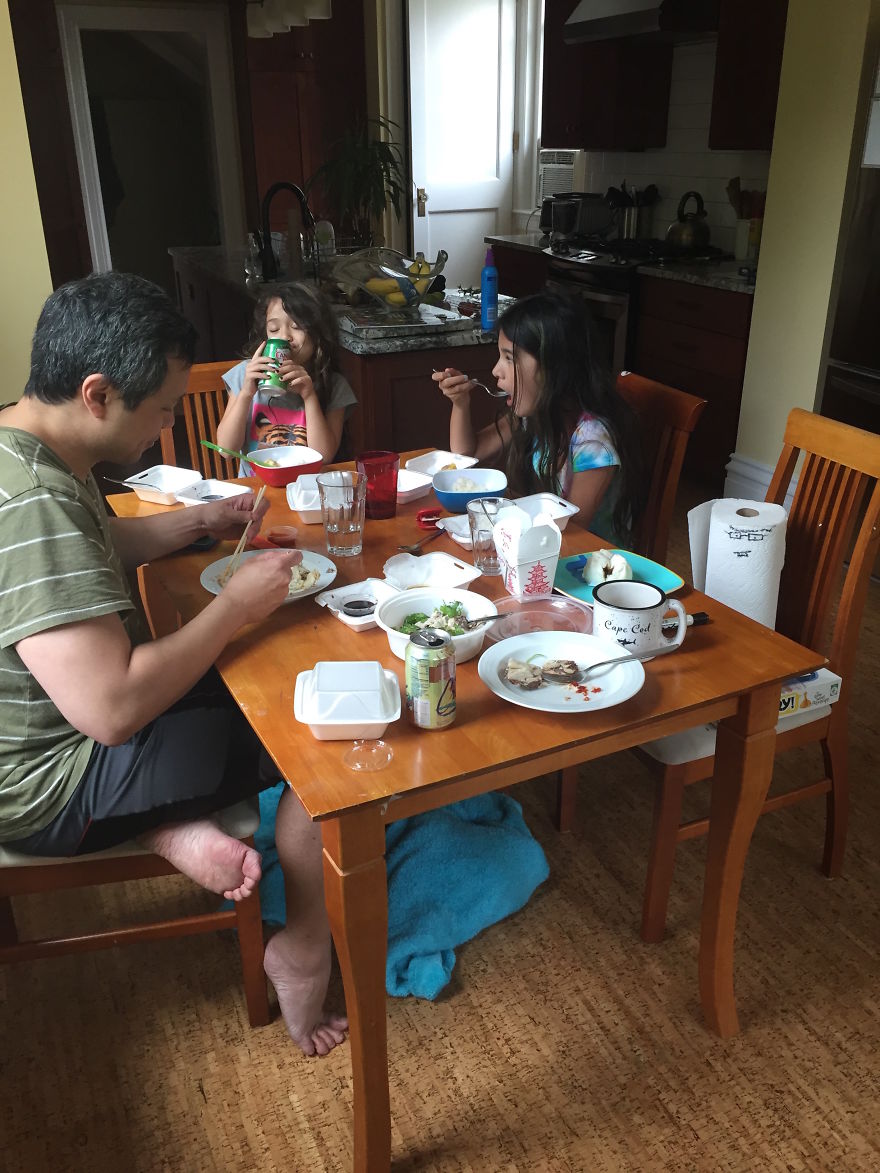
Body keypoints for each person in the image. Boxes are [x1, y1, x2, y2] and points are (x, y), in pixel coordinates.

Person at [0, 272, 347, 1058]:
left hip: (51, 734)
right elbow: (112, 709)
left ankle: (170, 822)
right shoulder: (33, 501)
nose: (164, 431)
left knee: (249, 677)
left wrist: (200, 521)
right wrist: (235, 609)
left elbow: (92, 550)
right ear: (95, 392)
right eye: (159, 410)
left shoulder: (27, 448)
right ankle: (302, 945)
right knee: (311, 725)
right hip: (50, 778)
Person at [432, 289, 643, 544]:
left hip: (588, 565)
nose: (496, 370)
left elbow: (571, 532)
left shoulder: (594, 445)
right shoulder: (535, 415)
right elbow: (466, 454)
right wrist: (461, 403)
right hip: (544, 549)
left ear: (553, 368)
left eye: (509, 358)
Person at [217, 281, 357, 470]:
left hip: (307, 488)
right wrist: (246, 393)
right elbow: (225, 450)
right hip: (257, 490)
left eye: (297, 326)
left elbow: (323, 457)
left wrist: (309, 396)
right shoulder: (245, 373)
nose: (284, 336)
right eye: (274, 329)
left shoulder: (333, 384)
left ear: (319, 333)